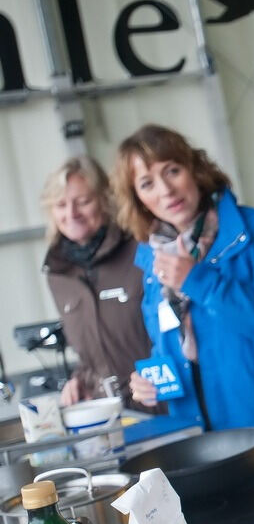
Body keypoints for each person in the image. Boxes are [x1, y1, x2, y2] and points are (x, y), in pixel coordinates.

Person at [112, 124, 254, 470]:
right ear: (138, 199)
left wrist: (199, 281)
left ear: (194, 169)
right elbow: (170, 345)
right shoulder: (153, 261)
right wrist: (153, 381)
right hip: (209, 453)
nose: (165, 190)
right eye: (147, 183)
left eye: (172, 171)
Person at [40, 156, 153, 410]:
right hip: (107, 415)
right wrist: (80, 379)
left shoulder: (141, 249)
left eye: (83, 201)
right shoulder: (58, 275)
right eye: (60, 205)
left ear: (105, 201)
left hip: (159, 404)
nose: (72, 214)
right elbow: (94, 352)